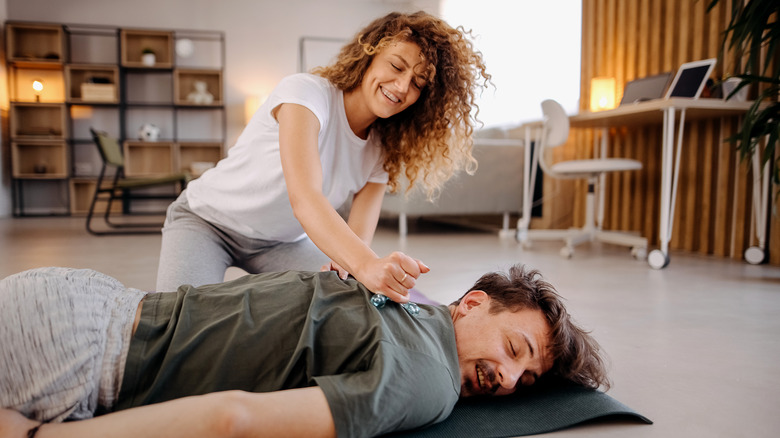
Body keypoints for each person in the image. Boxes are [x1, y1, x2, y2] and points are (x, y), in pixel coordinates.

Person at [0, 264, 608, 438]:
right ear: (471, 304)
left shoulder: (404, 299)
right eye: (514, 349)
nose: (506, 379)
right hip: (77, 358)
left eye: (525, 382)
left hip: (78, 297)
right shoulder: (428, 380)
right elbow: (232, 419)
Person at [155, 11, 490, 302]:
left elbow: (356, 244)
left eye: (417, 83)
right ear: (368, 55)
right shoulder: (307, 94)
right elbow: (306, 198)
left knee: (348, 295)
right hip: (207, 221)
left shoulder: (382, 151)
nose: (402, 87)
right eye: (396, 65)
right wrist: (365, 264)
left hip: (279, 243)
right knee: (175, 325)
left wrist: (354, 269)